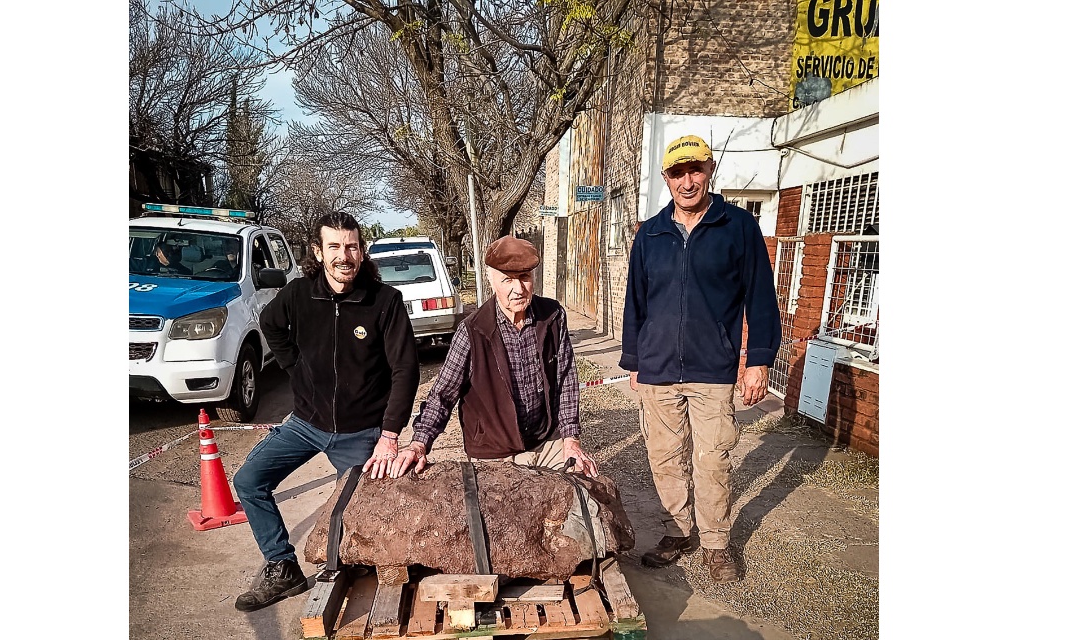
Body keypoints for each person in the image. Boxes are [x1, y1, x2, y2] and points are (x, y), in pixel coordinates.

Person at [230, 211, 420, 612]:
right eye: (334, 246)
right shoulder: (299, 295)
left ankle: (362, 577)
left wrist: (389, 435)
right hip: (305, 424)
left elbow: (406, 370)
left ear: (362, 250)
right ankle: (283, 567)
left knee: (362, 515)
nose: (343, 255)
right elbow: (270, 323)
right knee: (248, 481)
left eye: (351, 246)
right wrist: (294, 368)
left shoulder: (384, 302)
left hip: (361, 431)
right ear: (319, 251)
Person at [621, 135, 782, 582]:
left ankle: (715, 542)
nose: (687, 180)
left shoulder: (738, 227)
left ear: (709, 169)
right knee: (665, 458)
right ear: (666, 178)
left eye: (695, 169)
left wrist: (758, 360)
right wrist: (634, 360)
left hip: (713, 369)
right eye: (677, 172)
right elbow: (635, 301)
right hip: (657, 369)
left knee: (712, 460)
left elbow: (761, 298)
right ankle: (679, 530)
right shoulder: (651, 233)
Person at [389, 236, 597, 478]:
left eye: (525, 278)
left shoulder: (552, 316)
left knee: (580, 497)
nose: (518, 290)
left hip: (546, 441)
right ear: (491, 279)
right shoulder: (473, 331)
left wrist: (570, 438)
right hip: (494, 451)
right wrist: (419, 443)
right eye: (507, 280)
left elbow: (566, 380)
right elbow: (443, 394)